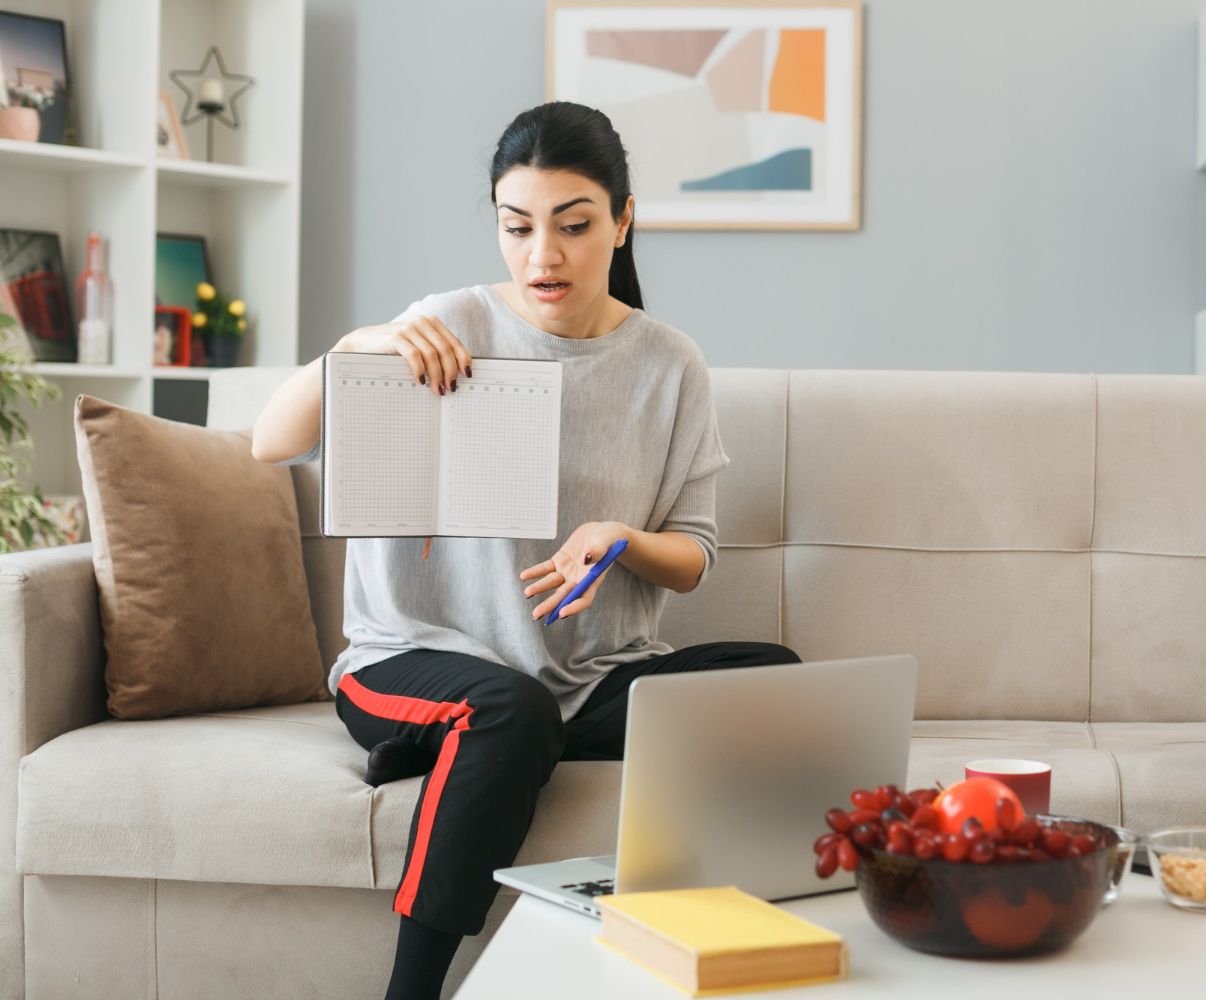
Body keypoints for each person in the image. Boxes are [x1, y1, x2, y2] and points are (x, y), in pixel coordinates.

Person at [251, 101, 800, 1000]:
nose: (544, 255)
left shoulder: (670, 365)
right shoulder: (443, 323)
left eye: (575, 226)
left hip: (579, 682)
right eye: (518, 226)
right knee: (505, 709)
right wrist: (360, 346)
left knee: (772, 680)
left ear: (623, 221)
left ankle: (484, 755)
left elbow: (695, 555)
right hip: (411, 660)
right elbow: (270, 443)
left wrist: (623, 541)